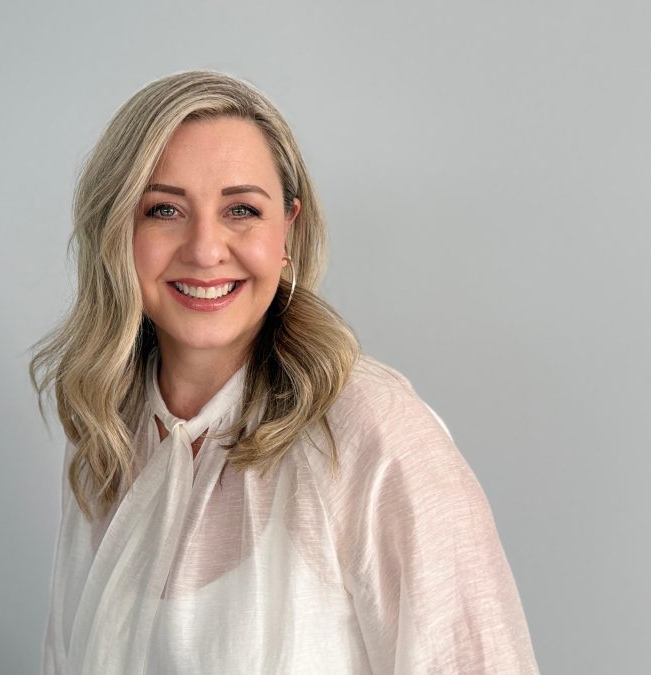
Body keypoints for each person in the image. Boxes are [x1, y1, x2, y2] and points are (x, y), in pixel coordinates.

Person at [30, 69, 539, 674]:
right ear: (117, 230)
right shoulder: (105, 431)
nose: (205, 249)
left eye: (241, 209)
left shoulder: (372, 434)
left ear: (287, 232)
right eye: (164, 209)